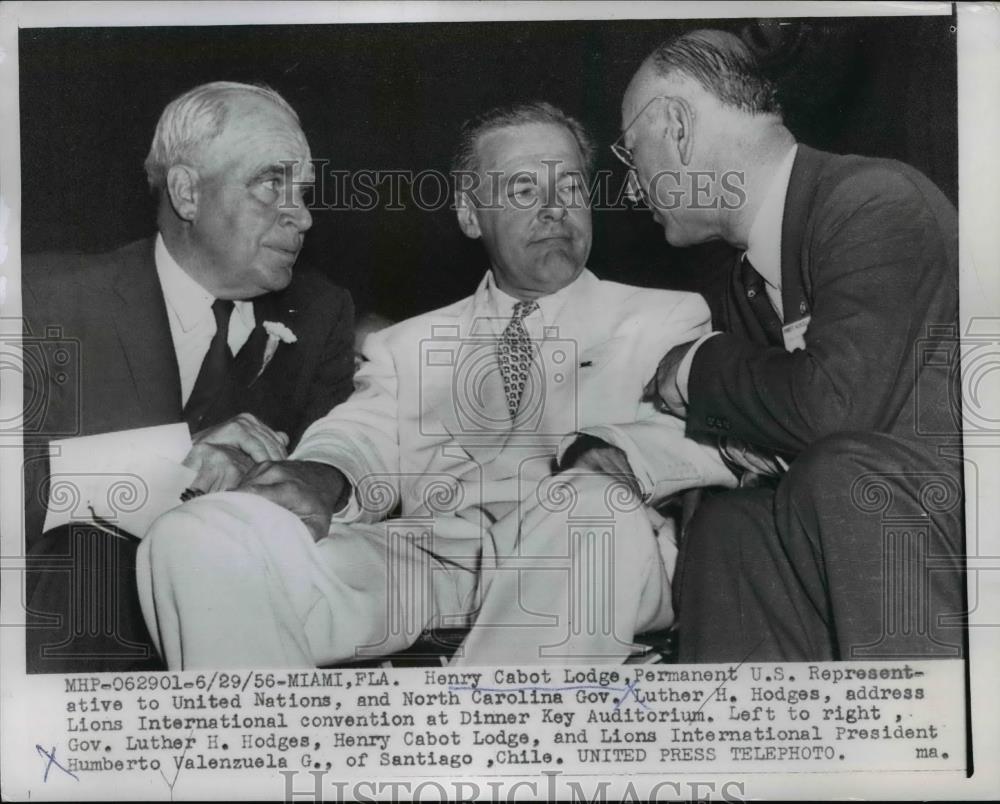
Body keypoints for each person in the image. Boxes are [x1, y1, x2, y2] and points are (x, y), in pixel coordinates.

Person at [135, 101, 739, 669]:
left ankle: (478, 766)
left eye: (572, 187)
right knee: (197, 537)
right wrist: (322, 476)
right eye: (524, 189)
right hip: (430, 561)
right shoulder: (407, 345)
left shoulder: (663, 316)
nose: (555, 208)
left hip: (589, 553)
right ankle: (275, 771)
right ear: (470, 215)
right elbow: (359, 435)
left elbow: (720, 436)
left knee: (586, 506)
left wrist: (618, 452)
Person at [610, 29, 963, 662]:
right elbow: (767, 424)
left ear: (679, 128)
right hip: (855, 531)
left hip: (945, 534)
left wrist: (691, 369)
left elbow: (834, 411)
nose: (634, 189)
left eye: (632, 154)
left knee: (839, 477)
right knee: (726, 528)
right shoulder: (743, 280)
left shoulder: (874, 201)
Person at [23, 81, 356, 673]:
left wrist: (323, 480)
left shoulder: (325, 315)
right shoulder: (48, 301)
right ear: (186, 192)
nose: (302, 216)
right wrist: (168, 460)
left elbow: (343, 478)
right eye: (270, 184)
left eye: (303, 192)